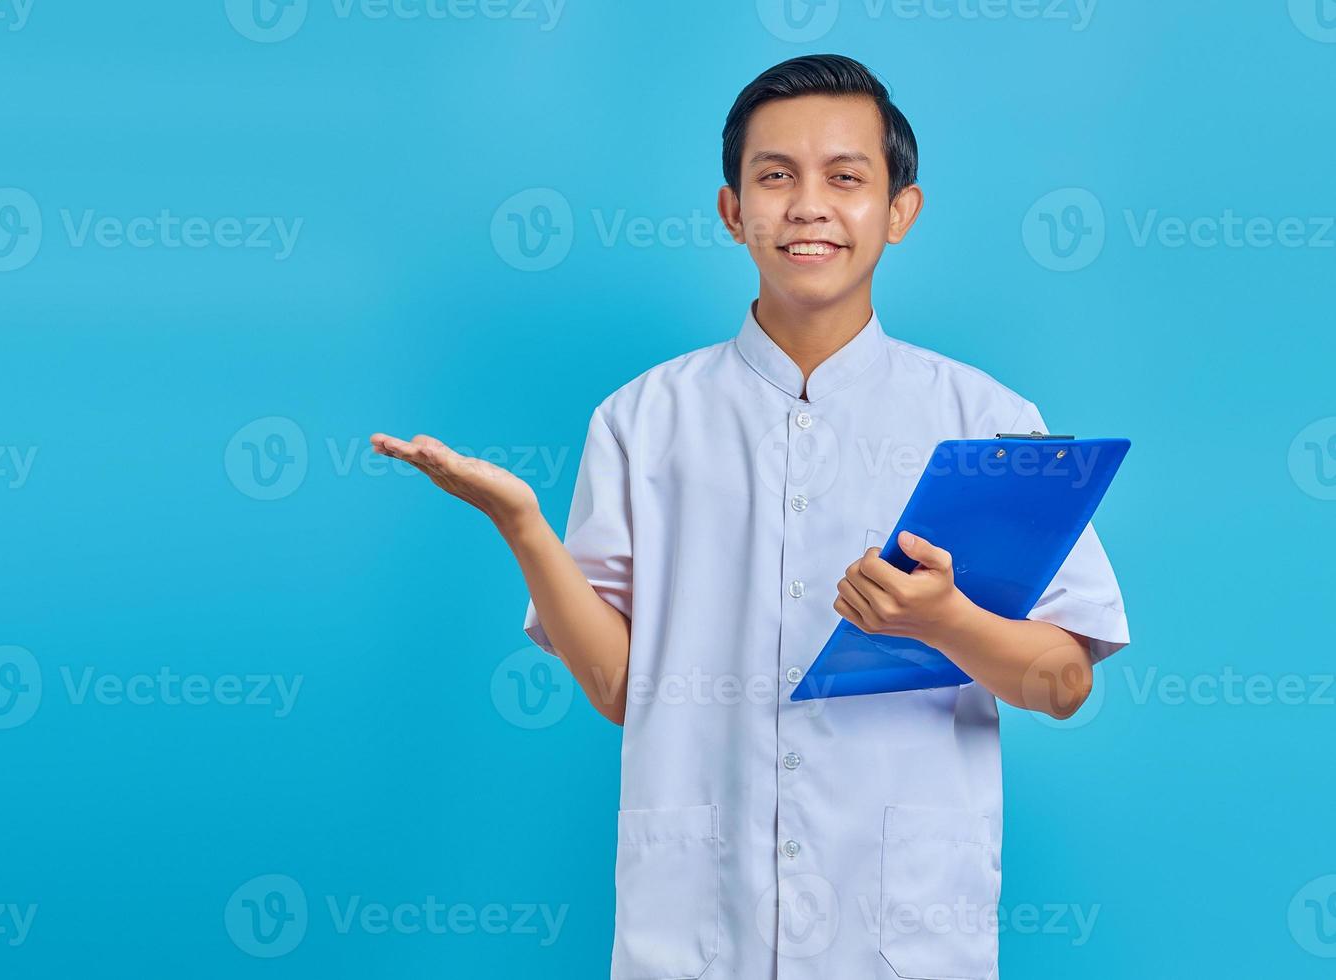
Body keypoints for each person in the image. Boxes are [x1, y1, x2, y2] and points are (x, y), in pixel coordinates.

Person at [371, 53, 1128, 980]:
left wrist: (945, 620)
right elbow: (620, 691)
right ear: (733, 211)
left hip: (903, 938)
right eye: (776, 177)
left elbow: (1061, 684)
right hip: (695, 931)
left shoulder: (988, 423)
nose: (808, 205)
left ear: (900, 211)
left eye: (846, 178)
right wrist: (522, 524)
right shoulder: (642, 419)